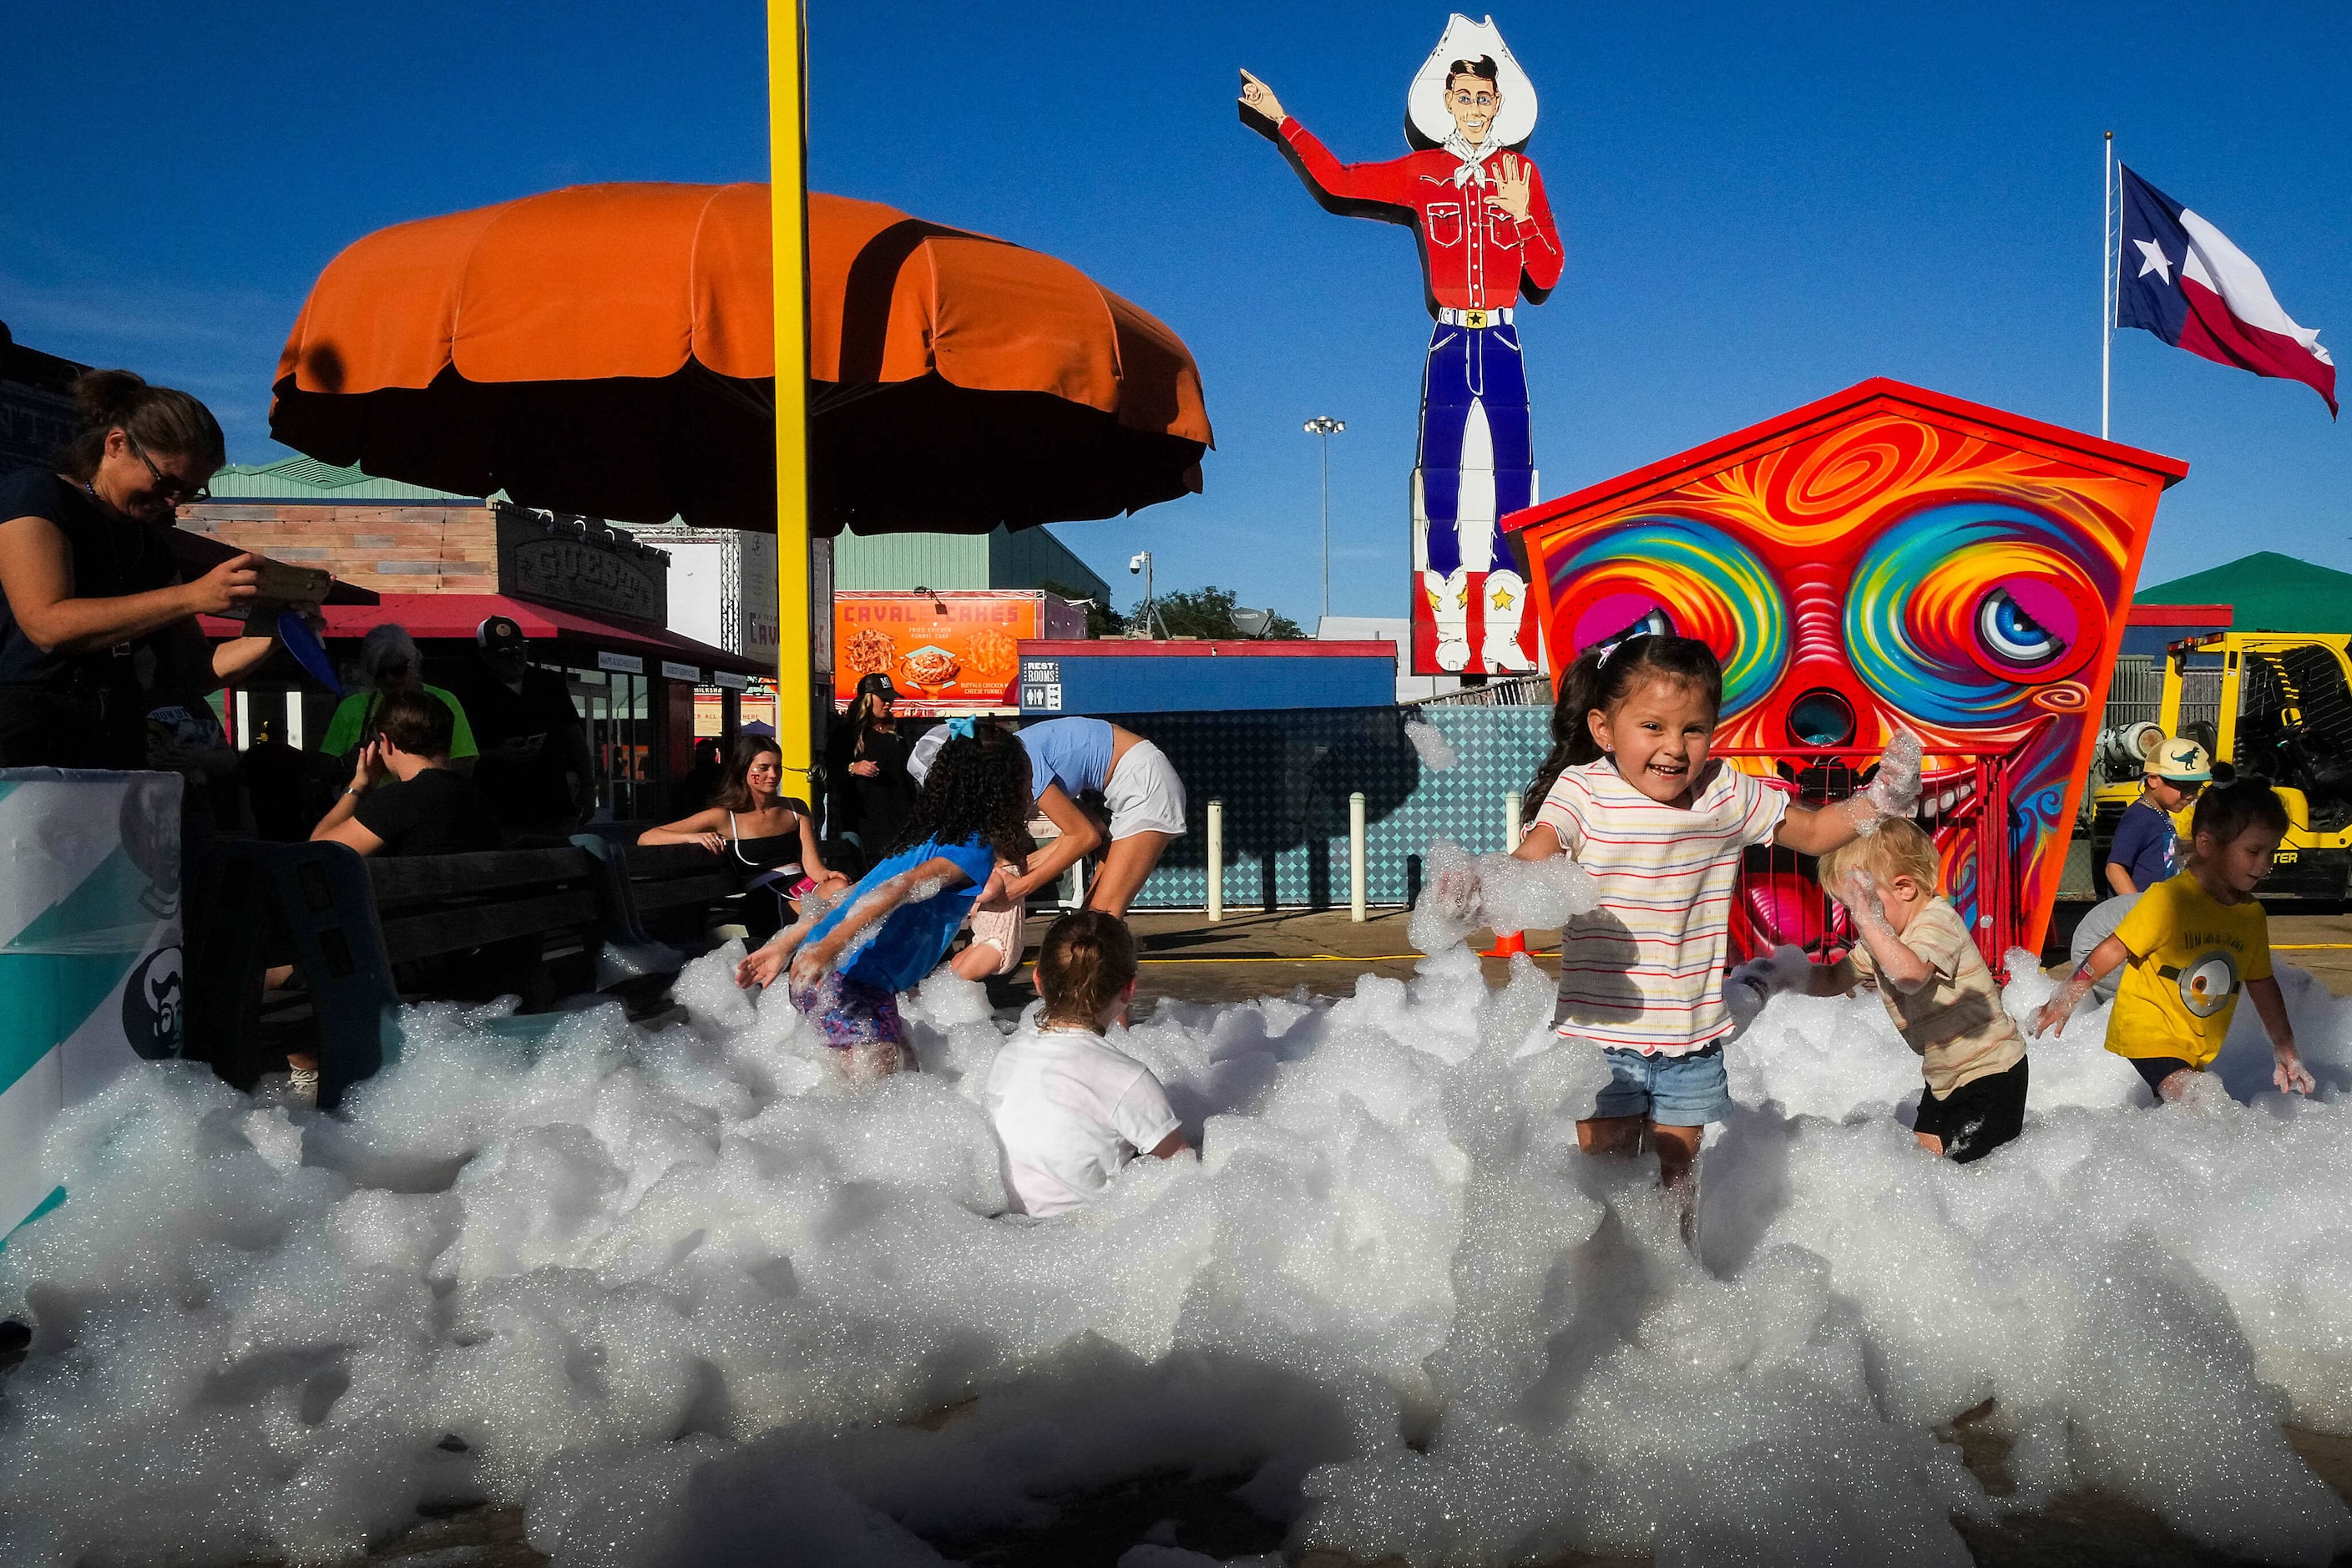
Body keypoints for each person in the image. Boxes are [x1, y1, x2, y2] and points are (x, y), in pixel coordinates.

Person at [1445, 634, 1922, 1211]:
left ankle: (1674, 1288)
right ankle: (1607, 1293)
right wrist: (1476, 890)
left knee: (1678, 1187)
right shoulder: (1582, 791)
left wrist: (1881, 801)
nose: (1674, 748)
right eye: (1652, 727)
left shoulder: (1721, 792)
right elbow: (1534, 858)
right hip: (1601, 1035)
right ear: (1603, 730)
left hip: (1690, 1039)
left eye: (1692, 729)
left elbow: (1815, 832)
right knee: (1606, 1188)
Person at [1239, 44, 1564, 674]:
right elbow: (1340, 181)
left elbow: (1547, 269)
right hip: (1448, 340)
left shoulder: (1521, 176)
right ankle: (1447, 631)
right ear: (1445, 103)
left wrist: (1523, 220)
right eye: (1463, 97)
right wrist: (1282, 121)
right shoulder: (1422, 173)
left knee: (1511, 488)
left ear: (1501, 105)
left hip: (1502, 341)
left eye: (1484, 98)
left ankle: (1501, 634)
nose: (1474, 108)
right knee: (1440, 483)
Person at [0, 370, 296, 766]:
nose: (175, 501)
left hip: (113, 734)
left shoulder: (150, 544)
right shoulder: (39, 494)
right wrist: (192, 596)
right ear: (117, 444)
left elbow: (193, 672)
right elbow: (47, 624)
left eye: (191, 492)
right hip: (23, 732)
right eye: (166, 482)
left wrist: (275, 633)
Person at [736, 721, 1033, 1079]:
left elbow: (853, 896)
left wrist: (785, 944)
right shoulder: (972, 850)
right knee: (877, 1103)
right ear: (998, 792)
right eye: (1025, 784)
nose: (1030, 795)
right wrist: (827, 947)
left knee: (904, 1080)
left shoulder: (925, 840)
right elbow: (900, 890)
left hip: (834, 975)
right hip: (850, 983)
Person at [1737, 819, 2028, 1163]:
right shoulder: (1883, 941)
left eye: (1864, 908)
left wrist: (1871, 922)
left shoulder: (1936, 922)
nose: (1857, 920)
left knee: (1966, 1170)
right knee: (1923, 1164)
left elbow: (1910, 975)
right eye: (1852, 910)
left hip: (1992, 1073)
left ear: (1905, 888)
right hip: (1944, 1076)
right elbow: (1833, 980)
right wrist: (1786, 975)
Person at [2035, 778, 2317, 1103]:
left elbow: (2262, 984)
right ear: (2207, 844)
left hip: (2194, 1041)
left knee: (2181, 1109)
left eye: (2272, 852)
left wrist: (2285, 1047)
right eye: (2254, 851)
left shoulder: (2250, 916)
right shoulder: (2170, 899)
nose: (2265, 864)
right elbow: (2115, 947)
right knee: (2201, 1103)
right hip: (2148, 1030)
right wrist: (2069, 993)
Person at [982, 910, 1189, 1216]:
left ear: (1038, 980)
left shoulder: (1008, 1055)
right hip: (1085, 1240)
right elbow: (1185, 1172)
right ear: (1128, 990)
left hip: (1006, 1231)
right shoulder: (1128, 1079)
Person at [910, 716, 1178, 917]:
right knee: (1090, 921)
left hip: (1144, 782)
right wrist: (1016, 868)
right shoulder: (1015, 755)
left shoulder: (1021, 764)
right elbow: (1093, 829)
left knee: (1101, 919)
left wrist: (1020, 887)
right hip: (1137, 777)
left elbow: (1084, 838)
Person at [640, 734, 844, 943]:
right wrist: (692, 837)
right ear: (744, 769)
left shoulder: (795, 808)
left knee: (841, 889)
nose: (773, 774)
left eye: (778, 767)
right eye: (764, 768)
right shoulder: (724, 817)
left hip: (802, 888)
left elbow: (813, 868)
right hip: (765, 900)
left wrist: (829, 875)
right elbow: (647, 838)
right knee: (830, 914)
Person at [310, 689, 502, 857]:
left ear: (387, 742)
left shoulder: (396, 802)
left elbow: (320, 852)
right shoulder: (478, 800)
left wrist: (357, 787)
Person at [451, 615, 590, 834]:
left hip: (553, 801)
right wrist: (495, 755)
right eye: (506, 654)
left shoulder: (548, 684)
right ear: (486, 656)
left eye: (521, 650)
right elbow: (455, 754)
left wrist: (588, 788)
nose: (516, 658)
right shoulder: (469, 692)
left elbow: (574, 737)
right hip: (499, 806)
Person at [319, 624, 478, 777]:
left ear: (414, 662)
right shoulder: (353, 707)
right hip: (370, 802)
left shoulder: (443, 701)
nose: (390, 680)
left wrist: (410, 767)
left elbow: (465, 764)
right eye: (380, 673)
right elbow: (322, 768)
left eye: (398, 670)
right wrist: (347, 761)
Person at [2106, 736, 2209, 897]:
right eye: (2184, 787)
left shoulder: (2159, 814)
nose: (2191, 796)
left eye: (2196, 788)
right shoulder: (2138, 818)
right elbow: (2114, 869)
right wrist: (2136, 908)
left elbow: (2162, 846)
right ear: (2154, 780)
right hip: (2142, 913)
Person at [827, 672, 917, 856]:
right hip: (863, 821)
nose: (888, 703)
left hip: (900, 816)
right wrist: (853, 768)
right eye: (883, 699)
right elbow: (829, 773)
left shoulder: (899, 731)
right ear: (867, 699)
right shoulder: (846, 733)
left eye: (891, 699)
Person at [677, 736, 725, 817]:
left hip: (718, 811)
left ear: (713, 753)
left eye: (705, 753)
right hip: (698, 813)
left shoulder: (723, 773)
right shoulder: (693, 776)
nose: (701, 757)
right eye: (699, 753)